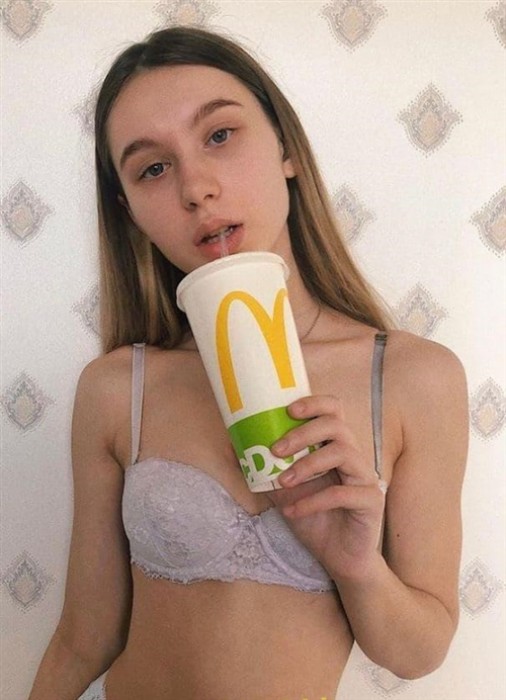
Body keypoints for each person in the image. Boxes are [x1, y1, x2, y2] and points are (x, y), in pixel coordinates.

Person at [28, 26, 468, 700]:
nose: (196, 188)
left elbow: (417, 653)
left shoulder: (414, 379)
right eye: (152, 169)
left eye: (219, 135)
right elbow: (83, 639)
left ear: (285, 148)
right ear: (129, 210)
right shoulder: (118, 388)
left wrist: (357, 566)